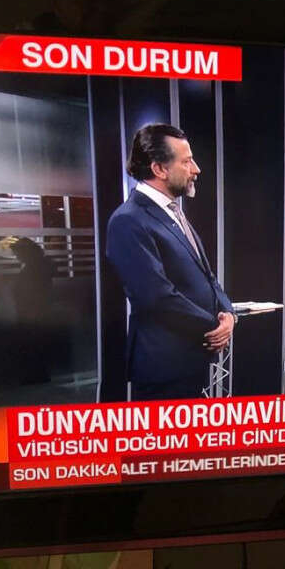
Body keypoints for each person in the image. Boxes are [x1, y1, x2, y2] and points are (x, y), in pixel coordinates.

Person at [106, 123, 236, 400]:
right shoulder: (128, 220)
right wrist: (213, 325)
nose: (196, 169)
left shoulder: (173, 213)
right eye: (186, 161)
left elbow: (207, 276)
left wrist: (228, 313)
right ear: (159, 169)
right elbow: (155, 296)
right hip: (163, 369)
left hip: (189, 361)